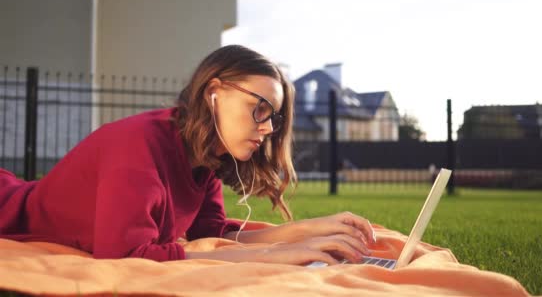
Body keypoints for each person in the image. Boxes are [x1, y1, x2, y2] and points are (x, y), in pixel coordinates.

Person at [0, 45, 375, 265]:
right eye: (260, 107)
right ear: (214, 91)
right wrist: (278, 255)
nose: (268, 128)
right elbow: (129, 257)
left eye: (274, 117)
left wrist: (311, 231)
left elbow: (211, 234)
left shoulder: (204, 157)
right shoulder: (138, 145)